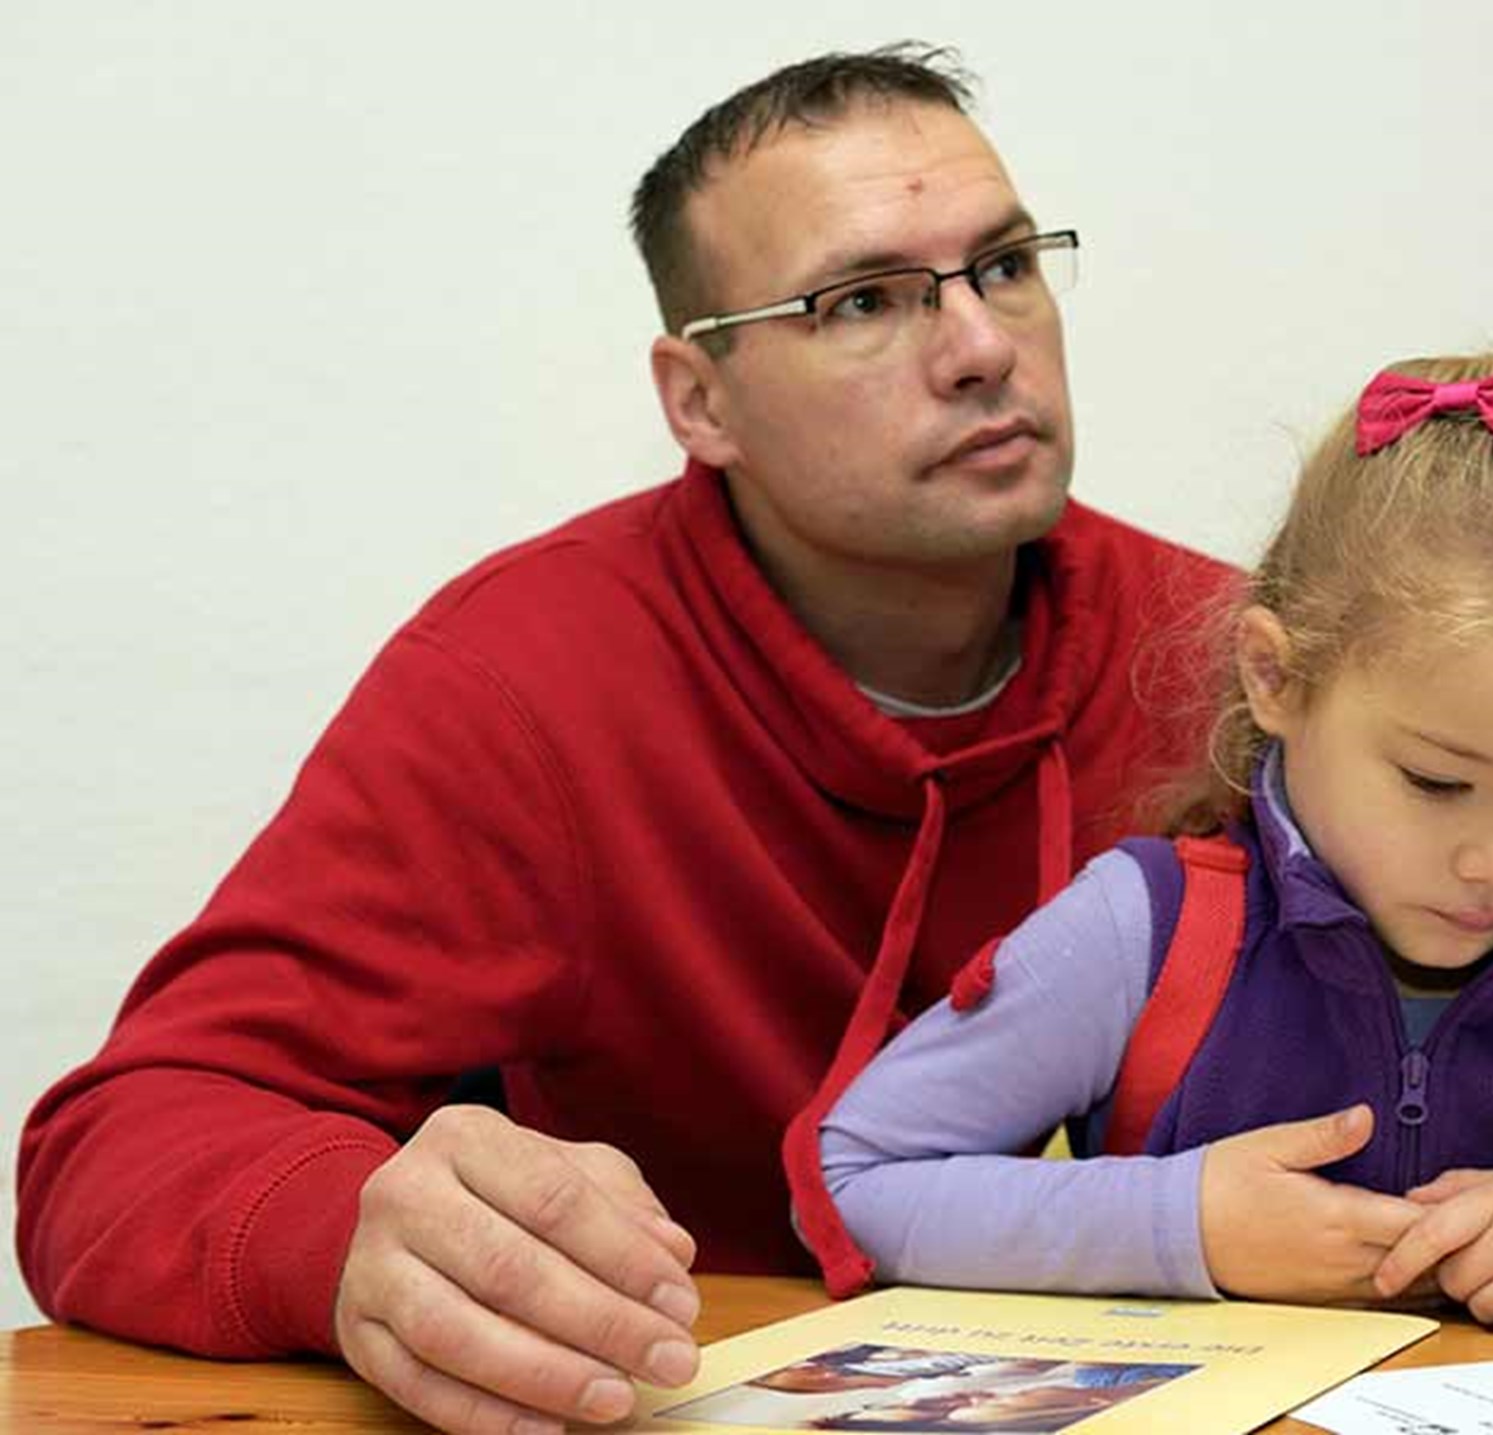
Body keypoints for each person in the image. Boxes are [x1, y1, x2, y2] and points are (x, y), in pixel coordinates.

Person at [14, 43, 1240, 1435]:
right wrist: (348, 1234)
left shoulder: (1230, 663)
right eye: (863, 300)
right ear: (699, 400)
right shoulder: (525, 679)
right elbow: (115, 1141)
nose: (980, 347)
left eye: (1005, 265)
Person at [810, 341, 1493, 1332]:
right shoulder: (1144, 935)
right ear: (1277, 676)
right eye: (1438, 782)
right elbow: (853, 1180)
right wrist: (1184, 1223)